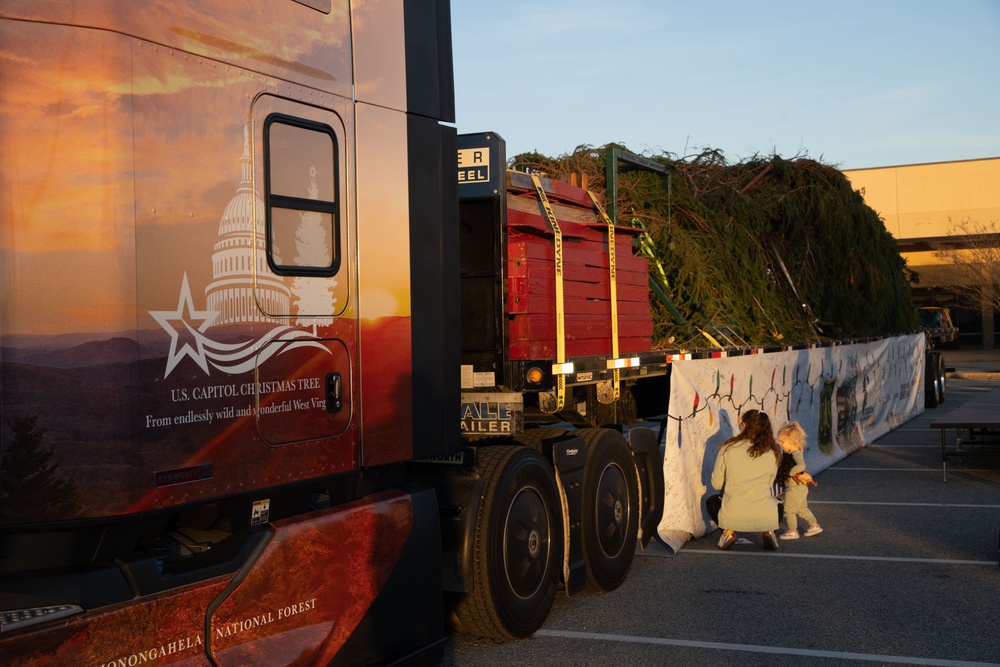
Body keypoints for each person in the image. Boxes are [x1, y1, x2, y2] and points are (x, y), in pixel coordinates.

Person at [711, 409, 783, 550]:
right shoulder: (772, 451)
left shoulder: (728, 448)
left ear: (744, 425)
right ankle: (769, 531)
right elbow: (769, 483)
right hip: (764, 513)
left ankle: (728, 532)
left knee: (712, 501)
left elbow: (716, 484)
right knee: (779, 504)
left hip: (733, 511)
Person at [776, 421, 823, 539]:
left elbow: (801, 466)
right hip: (801, 488)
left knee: (788, 510)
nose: (780, 444)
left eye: (782, 441)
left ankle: (792, 530)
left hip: (794, 488)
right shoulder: (794, 452)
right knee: (802, 509)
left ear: (792, 441)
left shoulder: (795, 453)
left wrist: (790, 473)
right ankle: (814, 525)